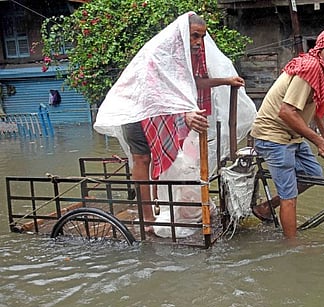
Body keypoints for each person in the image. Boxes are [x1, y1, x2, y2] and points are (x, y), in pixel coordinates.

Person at [94, 13, 254, 231]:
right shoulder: (159, 54)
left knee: (162, 157)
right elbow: (156, 92)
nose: (199, 42)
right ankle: (147, 216)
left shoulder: (186, 57)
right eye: (194, 36)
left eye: (202, 37)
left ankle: (161, 204)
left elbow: (192, 83)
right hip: (137, 109)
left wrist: (225, 81)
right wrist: (185, 115)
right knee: (142, 159)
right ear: (182, 34)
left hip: (161, 114)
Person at [250, 28, 324, 239]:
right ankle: (292, 249)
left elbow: (314, 105)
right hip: (273, 135)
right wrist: (319, 142)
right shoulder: (310, 68)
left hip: (291, 134)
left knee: (313, 174)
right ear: (322, 49)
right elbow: (286, 112)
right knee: (289, 196)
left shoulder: (322, 69)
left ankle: (266, 207)